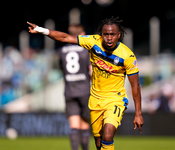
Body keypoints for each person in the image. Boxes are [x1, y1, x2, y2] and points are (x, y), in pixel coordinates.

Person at [27, 16, 144, 150]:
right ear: (101, 35)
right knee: (99, 142)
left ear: (119, 35)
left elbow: (136, 85)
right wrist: (41, 30)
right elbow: (65, 38)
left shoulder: (127, 56)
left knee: (108, 135)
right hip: (95, 100)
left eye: (113, 34)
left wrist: (138, 113)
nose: (109, 37)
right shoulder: (93, 42)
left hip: (115, 99)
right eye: (106, 34)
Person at [58, 24, 92, 150]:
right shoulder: (85, 50)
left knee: (74, 126)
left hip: (69, 91)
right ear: (81, 34)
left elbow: (62, 69)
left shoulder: (61, 51)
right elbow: (92, 71)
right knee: (84, 126)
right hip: (84, 91)